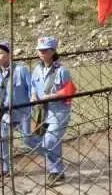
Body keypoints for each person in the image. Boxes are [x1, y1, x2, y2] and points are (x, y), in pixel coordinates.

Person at [29, 37, 76, 184]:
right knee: (34, 140)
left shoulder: (62, 71)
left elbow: (70, 90)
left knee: (49, 140)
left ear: (53, 51)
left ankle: (56, 170)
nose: (42, 52)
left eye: (45, 50)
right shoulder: (37, 69)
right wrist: (33, 95)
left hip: (58, 111)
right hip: (41, 112)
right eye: (40, 50)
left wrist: (54, 95)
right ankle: (56, 166)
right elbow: (32, 86)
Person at [0, 41, 33, 178]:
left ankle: (49, 154)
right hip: (5, 113)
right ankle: (6, 169)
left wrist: (34, 107)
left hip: (22, 112)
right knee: (3, 139)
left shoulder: (21, 70)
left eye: (1, 53)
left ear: (9, 55)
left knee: (27, 140)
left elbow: (31, 89)